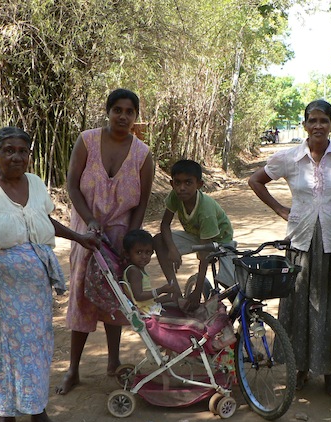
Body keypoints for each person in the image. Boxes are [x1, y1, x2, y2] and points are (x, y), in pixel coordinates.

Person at [0, 127, 99, 422]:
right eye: (9, 150)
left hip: (34, 289)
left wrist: (79, 238)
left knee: (36, 346)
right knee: (0, 349)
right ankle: (6, 416)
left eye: (22, 151)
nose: (16, 157)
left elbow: (44, 221)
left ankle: (37, 411)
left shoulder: (35, 183)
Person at [57, 89, 154, 395]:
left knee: (117, 297)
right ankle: (73, 369)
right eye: (117, 110)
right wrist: (90, 222)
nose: (122, 116)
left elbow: (142, 203)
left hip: (120, 234)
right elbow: (72, 186)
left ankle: (114, 362)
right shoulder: (87, 141)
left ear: (135, 117)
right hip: (85, 233)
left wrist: (129, 241)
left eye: (129, 111)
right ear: (108, 111)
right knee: (81, 294)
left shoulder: (143, 154)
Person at [249, 100, 331, 396]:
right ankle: (300, 369)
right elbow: (256, 181)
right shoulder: (290, 158)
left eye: (324, 120)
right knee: (298, 306)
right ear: (304, 125)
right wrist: (280, 209)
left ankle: (328, 373)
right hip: (300, 241)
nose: (318, 125)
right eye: (312, 120)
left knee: (328, 307)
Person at [153, 159, 234, 311]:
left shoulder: (206, 211)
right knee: (158, 240)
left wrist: (197, 291)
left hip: (220, 241)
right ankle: (175, 291)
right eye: (177, 183)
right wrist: (172, 249)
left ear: (199, 185)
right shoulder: (175, 196)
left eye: (188, 183)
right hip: (197, 236)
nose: (181, 188)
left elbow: (204, 255)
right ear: (172, 184)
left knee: (230, 283)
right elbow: (165, 225)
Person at [121, 229, 175, 316]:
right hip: (145, 311)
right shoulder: (134, 271)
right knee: (179, 316)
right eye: (139, 252)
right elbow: (139, 296)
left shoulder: (137, 270)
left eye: (147, 252)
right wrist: (161, 290)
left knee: (176, 303)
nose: (144, 256)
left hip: (148, 306)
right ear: (127, 254)